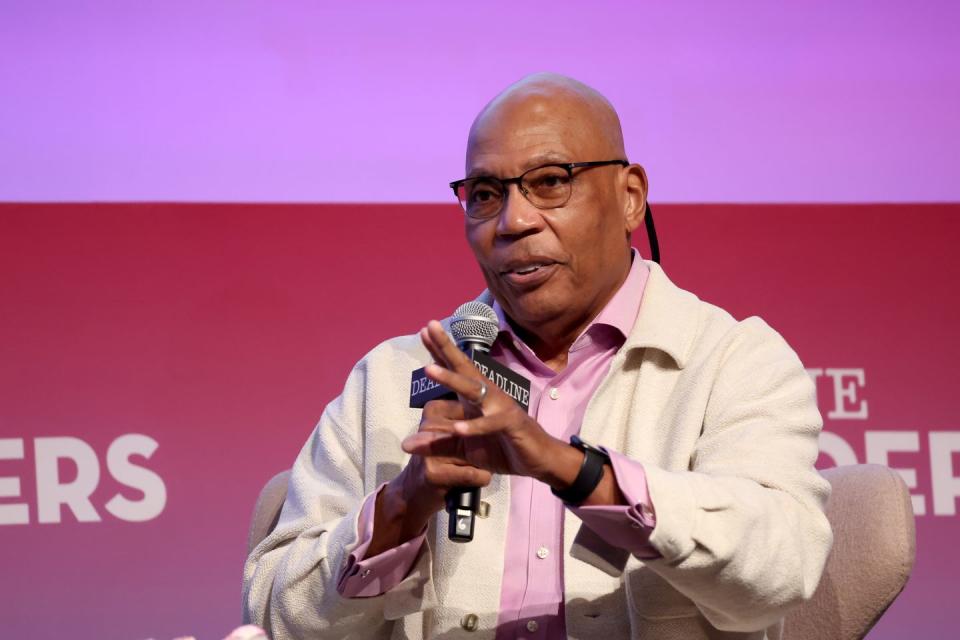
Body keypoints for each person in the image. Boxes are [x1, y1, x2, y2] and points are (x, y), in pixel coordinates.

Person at [242, 73, 832, 640]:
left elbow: (783, 567)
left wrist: (572, 469)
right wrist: (402, 505)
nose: (514, 221)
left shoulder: (732, 360)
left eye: (551, 181)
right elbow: (274, 617)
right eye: (485, 194)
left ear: (630, 198)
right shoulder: (393, 377)